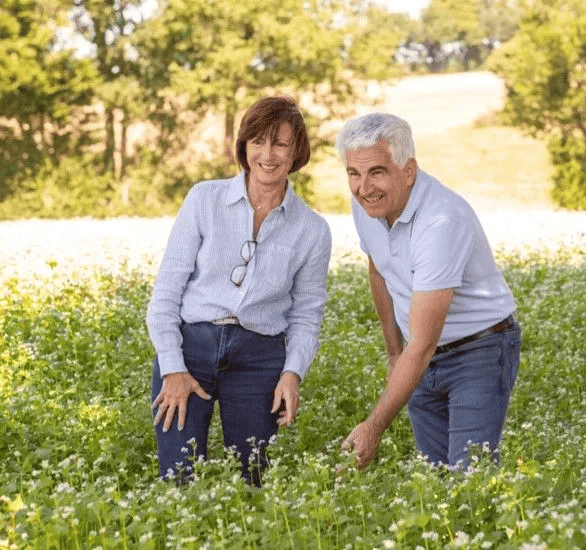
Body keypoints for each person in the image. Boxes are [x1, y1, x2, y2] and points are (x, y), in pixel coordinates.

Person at [146, 96, 331, 485]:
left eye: (281, 144)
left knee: (253, 480)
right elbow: (166, 293)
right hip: (190, 349)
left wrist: (292, 372)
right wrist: (172, 367)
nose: (268, 154)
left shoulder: (312, 229)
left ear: (297, 151)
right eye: (258, 141)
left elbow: (306, 314)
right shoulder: (204, 199)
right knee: (180, 477)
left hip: (259, 360)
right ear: (244, 146)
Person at [336, 112, 521, 470]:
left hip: (479, 350)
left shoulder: (440, 222)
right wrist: (394, 353)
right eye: (353, 174)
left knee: (470, 477)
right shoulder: (367, 205)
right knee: (434, 478)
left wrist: (374, 426)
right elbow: (378, 269)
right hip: (421, 354)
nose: (363, 188)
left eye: (377, 172)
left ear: (408, 171)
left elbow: (421, 343)